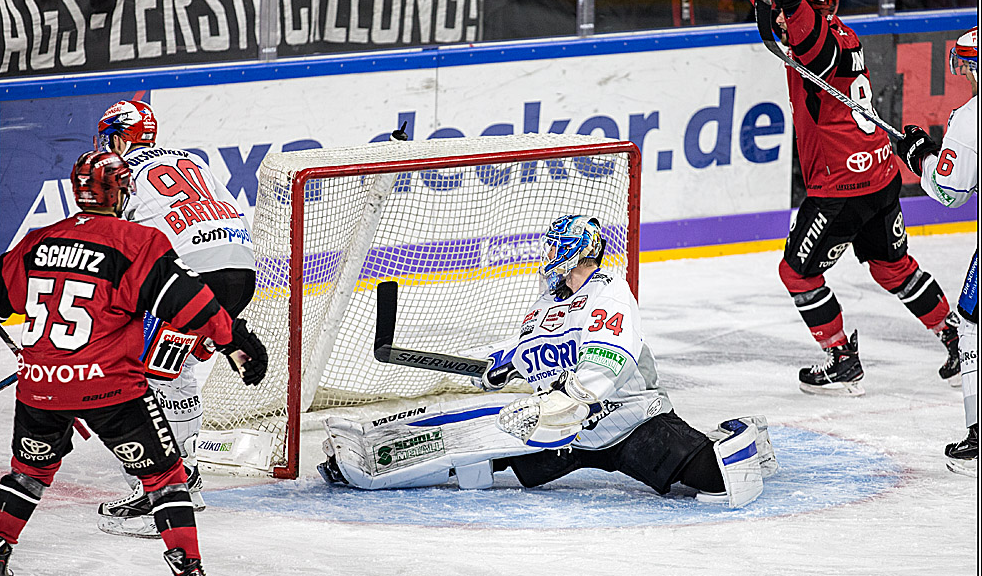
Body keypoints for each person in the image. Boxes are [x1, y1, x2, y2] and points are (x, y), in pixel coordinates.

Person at [0, 150, 267, 576]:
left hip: (41, 386)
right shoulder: (137, 242)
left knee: (28, 474)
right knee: (166, 477)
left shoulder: (39, 240)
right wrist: (235, 342)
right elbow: (188, 304)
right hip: (112, 390)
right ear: (122, 191)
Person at [317, 215, 777, 508]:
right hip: (567, 432)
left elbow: (604, 364)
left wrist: (559, 404)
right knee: (479, 463)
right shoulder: (546, 302)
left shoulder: (609, 293)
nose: (551, 259)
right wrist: (506, 365)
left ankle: (743, 440)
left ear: (580, 253)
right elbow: (535, 351)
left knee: (715, 483)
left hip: (631, 422)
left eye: (559, 250)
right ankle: (370, 464)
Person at [709, 0, 961, 396]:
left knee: (797, 273)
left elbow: (807, 38)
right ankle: (956, 337)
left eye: (793, 5)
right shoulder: (838, 31)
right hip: (881, 176)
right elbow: (781, 9)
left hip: (840, 189)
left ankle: (841, 357)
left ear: (812, 7)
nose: (783, 15)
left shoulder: (819, 41)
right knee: (894, 268)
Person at [93, 100, 257, 538]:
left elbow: (114, 244)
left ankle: (164, 495)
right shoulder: (191, 158)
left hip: (187, 281)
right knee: (175, 374)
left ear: (118, 136)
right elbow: (228, 211)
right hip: (241, 271)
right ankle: (189, 478)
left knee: (143, 380)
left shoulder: (116, 171)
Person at [894, 27, 978, 476]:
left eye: (967, 64)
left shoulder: (970, 118)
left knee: (970, 326)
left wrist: (919, 155)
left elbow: (950, 192)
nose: (964, 72)